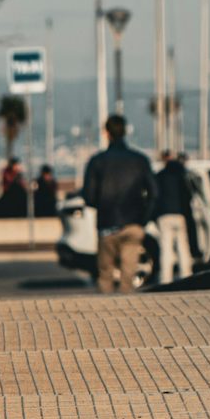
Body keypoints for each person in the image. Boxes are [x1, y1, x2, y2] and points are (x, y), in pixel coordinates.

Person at [80, 112, 154, 292]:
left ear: (107, 133)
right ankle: (127, 316)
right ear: (125, 132)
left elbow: (88, 197)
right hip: (133, 223)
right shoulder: (140, 160)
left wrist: (102, 206)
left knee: (105, 275)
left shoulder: (97, 161)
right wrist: (144, 217)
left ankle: (107, 317)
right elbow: (154, 192)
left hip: (107, 224)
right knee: (128, 277)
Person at [152, 148, 204, 286]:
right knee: (183, 247)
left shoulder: (159, 176)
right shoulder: (182, 175)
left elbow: (154, 197)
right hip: (180, 215)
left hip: (164, 215)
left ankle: (165, 279)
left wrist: (153, 216)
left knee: (166, 248)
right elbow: (189, 196)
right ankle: (186, 277)